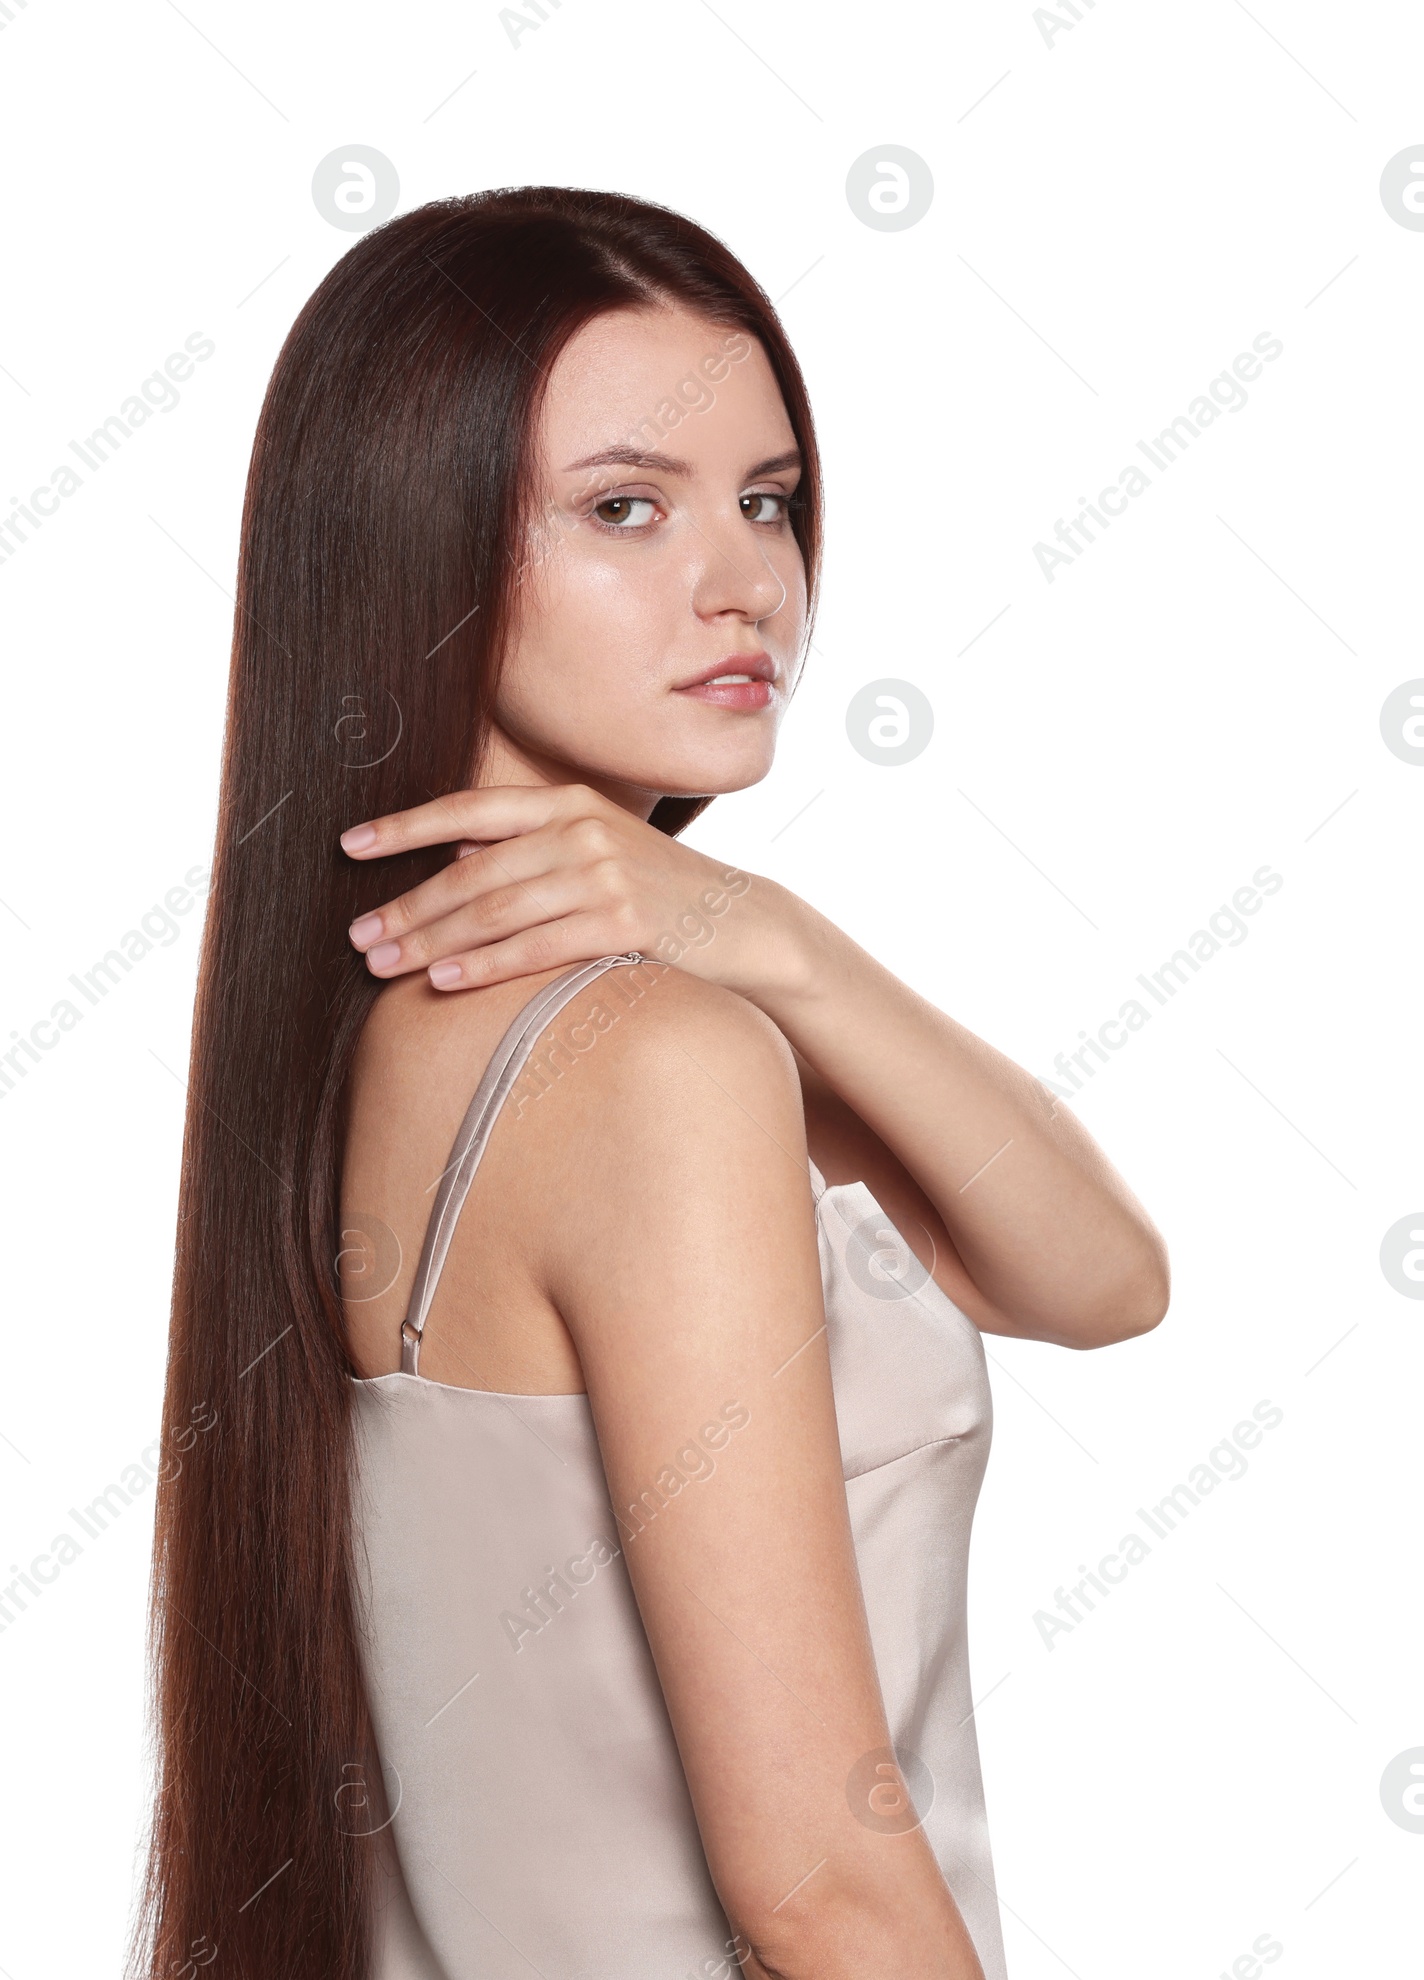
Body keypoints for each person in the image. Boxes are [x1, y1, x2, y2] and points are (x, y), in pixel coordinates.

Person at [137, 186, 1168, 1980]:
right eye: (628, 506)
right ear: (413, 542)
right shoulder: (647, 1068)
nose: (744, 578)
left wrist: (760, 929)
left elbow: (1098, 1278)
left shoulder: (400, 1023)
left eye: (766, 499)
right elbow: (816, 1885)